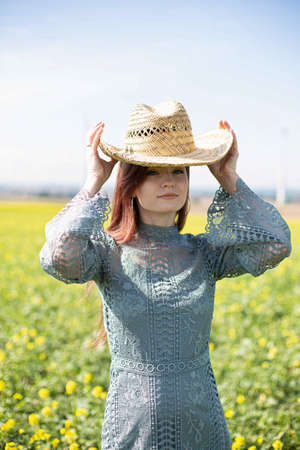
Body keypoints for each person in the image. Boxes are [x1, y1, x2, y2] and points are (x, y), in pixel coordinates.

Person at [39, 100, 292, 449]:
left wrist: (229, 178)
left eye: (178, 172)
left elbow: (276, 244)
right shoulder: (107, 253)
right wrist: (94, 181)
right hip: (132, 430)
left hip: (202, 425)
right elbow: (56, 256)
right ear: (130, 184)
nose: (168, 182)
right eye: (153, 173)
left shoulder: (205, 253)